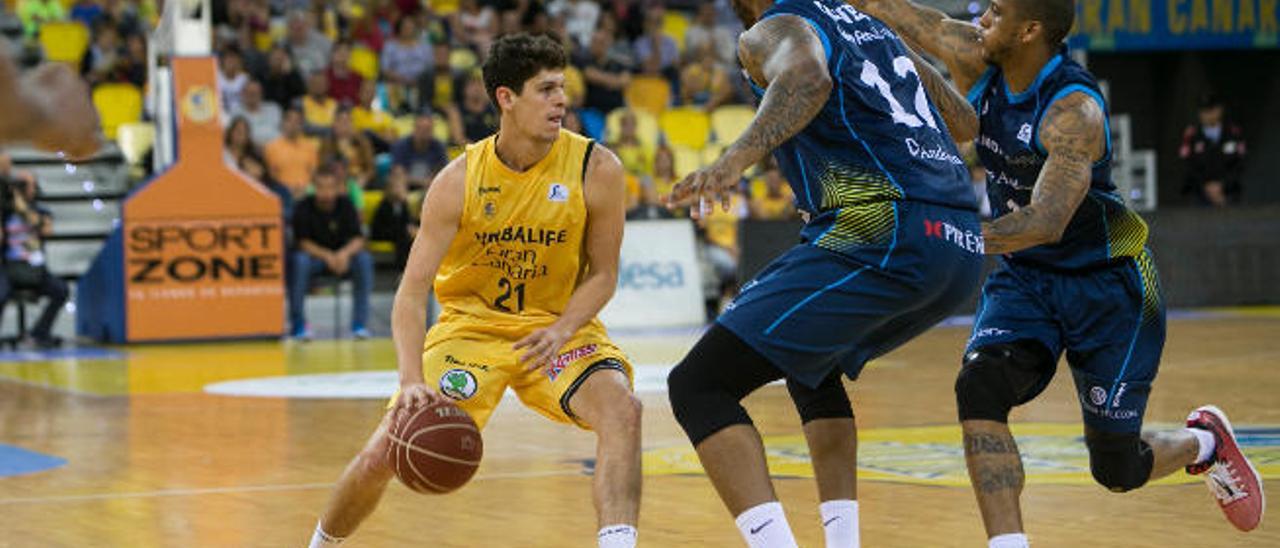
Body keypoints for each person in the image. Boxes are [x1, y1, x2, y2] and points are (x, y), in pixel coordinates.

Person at [854, 0, 1266, 544]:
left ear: (1029, 30)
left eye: (994, 13)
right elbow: (898, 14)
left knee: (1116, 468)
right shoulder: (979, 57)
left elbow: (1046, 221)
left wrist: (939, 235)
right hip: (1026, 281)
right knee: (978, 387)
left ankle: (1206, 443)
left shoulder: (1074, 110)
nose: (980, 20)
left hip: (1108, 284)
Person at [662, 1, 985, 546]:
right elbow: (963, 122)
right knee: (811, 369)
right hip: (961, 244)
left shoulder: (776, 25)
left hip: (884, 230)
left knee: (697, 385)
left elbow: (807, 76)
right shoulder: (875, 31)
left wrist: (734, 159)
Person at [307, 33, 642, 548]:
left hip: (557, 332)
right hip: (470, 332)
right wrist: (410, 378)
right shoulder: (457, 180)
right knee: (385, 450)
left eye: (563, 87)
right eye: (546, 89)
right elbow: (411, 292)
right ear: (506, 98)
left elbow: (603, 275)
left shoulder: (598, 169)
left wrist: (562, 329)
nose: (562, 100)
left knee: (623, 410)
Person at [288, 164, 373, 340]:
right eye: (321, 187)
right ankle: (298, 326)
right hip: (315, 262)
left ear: (338, 188)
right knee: (299, 261)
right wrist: (328, 256)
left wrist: (343, 255)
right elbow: (302, 242)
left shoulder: (346, 205)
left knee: (363, 260)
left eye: (330, 188)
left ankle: (359, 325)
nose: (326, 193)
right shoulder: (303, 207)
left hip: (342, 261)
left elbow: (358, 239)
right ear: (314, 187)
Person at [2, 170, 68, 348]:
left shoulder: (41, 211)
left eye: (27, 184)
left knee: (61, 290)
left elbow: (47, 230)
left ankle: (39, 333)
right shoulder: (5, 213)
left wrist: (23, 209)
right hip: (10, 268)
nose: (23, 188)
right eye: (19, 184)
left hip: (35, 269)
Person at [1179, 93, 1246, 207]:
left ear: (1219, 110)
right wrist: (1208, 188)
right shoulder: (1191, 135)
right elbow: (1187, 164)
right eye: (1203, 111)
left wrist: (1222, 185)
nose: (1206, 115)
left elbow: (1239, 163)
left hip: (1228, 194)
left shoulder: (1233, 132)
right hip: (1199, 196)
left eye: (1210, 110)